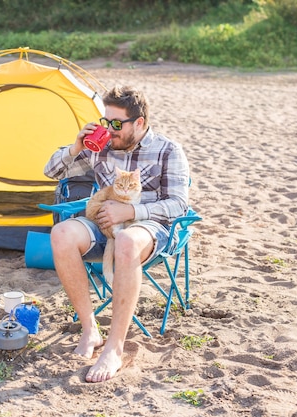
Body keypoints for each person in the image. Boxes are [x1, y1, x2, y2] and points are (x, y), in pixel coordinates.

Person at [44, 84, 190, 383]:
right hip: (104, 224)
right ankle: (90, 328)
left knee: (126, 241)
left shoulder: (168, 150)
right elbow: (51, 172)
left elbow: (178, 204)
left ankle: (114, 348)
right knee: (61, 234)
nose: (108, 130)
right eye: (105, 122)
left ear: (139, 122)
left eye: (116, 124)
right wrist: (76, 147)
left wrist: (132, 213)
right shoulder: (102, 148)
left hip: (151, 228)